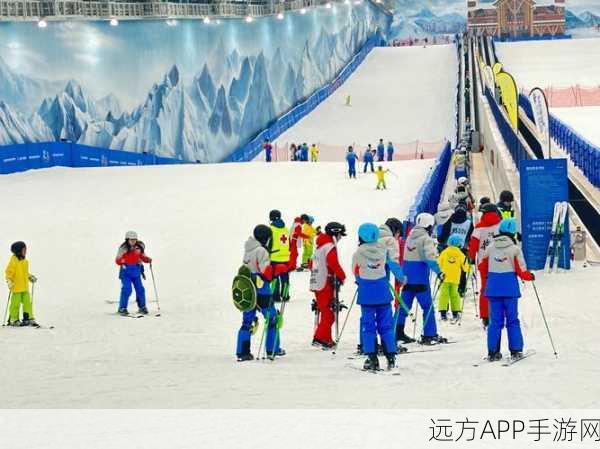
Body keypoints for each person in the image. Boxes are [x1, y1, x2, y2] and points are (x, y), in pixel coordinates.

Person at [479, 218, 534, 361]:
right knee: (512, 320)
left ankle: (493, 352)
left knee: (495, 322)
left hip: (493, 290)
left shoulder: (490, 247)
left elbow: (481, 266)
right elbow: (522, 271)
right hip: (510, 290)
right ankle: (516, 350)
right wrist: (530, 276)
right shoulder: (515, 249)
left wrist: (489, 278)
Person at [352, 223, 406, 370]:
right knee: (386, 325)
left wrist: (360, 281)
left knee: (368, 327)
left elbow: (355, 272)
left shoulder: (358, 253)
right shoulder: (383, 249)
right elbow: (393, 264)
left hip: (367, 294)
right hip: (383, 292)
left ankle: (372, 358)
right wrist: (401, 277)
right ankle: (391, 356)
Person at [236, 225, 287, 361]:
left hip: (249, 290)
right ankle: (272, 349)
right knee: (272, 319)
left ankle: (242, 352)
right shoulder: (261, 251)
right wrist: (278, 269)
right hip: (262, 289)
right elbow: (266, 272)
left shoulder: (248, 249)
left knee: (247, 322)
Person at [396, 213, 447, 345]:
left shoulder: (410, 237)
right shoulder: (426, 239)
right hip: (420, 277)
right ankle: (429, 335)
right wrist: (439, 272)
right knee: (427, 307)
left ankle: (397, 331)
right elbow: (430, 258)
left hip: (407, 276)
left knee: (404, 306)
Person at [310, 222, 346, 349]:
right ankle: (319, 338)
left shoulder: (320, 246)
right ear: (335, 233)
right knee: (329, 313)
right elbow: (333, 263)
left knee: (326, 311)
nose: (341, 238)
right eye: (340, 235)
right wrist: (342, 276)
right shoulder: (329, 246)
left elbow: (311, 264)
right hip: (324, 282)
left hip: (317, 281)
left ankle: (327, 339)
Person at [468, 203, 502, 328]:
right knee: (500, 287)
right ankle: (499, 314)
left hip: (484, 263)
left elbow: (473, 245)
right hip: (501, 261)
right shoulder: (500, 226)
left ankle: (486, 316)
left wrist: (471, 257)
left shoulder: (478, 228)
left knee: (485, 289)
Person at [115, 231, 152, 315]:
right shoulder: (123, 248)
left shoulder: (138, 248)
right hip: (126, 273)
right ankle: (122, 308)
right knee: (127, 289)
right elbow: (117, 260)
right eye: (131, 240)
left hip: (136, 272)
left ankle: (142, 307)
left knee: (140, 290)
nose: (133, 241)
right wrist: (124, 261)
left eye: (134, 240)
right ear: (127, 239)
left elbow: (142, 256)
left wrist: (147, 259)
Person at [437, 234, 470, 322]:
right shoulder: (460, 254)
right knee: (455, 295)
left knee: (444, 295)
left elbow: (438, 263)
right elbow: (465, 267)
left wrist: (439, 272)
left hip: (444, 278)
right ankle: (455, 312)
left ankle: (443, 312)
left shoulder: (444, 252)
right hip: (455, 279)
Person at [5, 241, 37, 326]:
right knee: (15, 304)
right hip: (16, 288)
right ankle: (13, 319)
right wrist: (9, 281)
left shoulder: (25, 261)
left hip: (24, 287)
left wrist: (30, 277)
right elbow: (8, 272)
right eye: (24, 250)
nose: (26, 251)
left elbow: (25, 273)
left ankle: (28, 318)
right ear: (18, 251)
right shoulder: (13, 261)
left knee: (27, 303)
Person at [269, 210, 291, 302]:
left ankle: (275, 296)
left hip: (274, 257)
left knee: (275, 278)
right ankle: (285, 295)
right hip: (285, 257)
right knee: (285, 277)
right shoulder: (286, 229)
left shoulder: (271, 229)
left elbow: (269, 243)